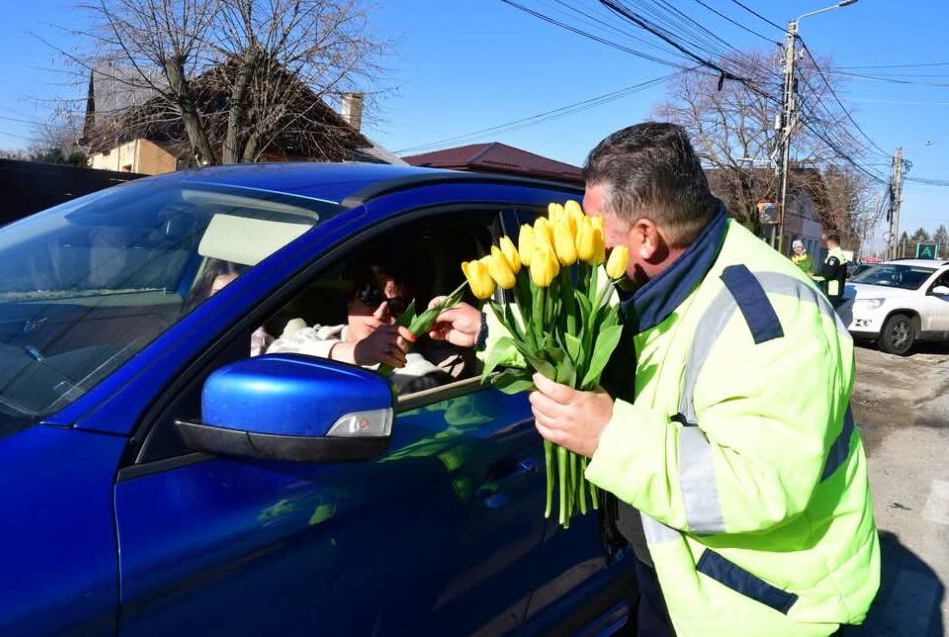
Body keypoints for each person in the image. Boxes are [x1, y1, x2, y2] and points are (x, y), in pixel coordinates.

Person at [431, 122, 879, 636]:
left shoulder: (768, 318)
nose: (592, 240)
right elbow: (597, 345)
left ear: (646, 236)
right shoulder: (661, 283)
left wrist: (608, 435)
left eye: (599, 226)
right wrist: (489, 330)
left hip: (759, 609)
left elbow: (761, 486)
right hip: (677, 577)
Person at [268, 255, 449, 394]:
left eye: (397, 306)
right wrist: (356, 352)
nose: (379, 314)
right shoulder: (315, 337)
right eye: (370, 296)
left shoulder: (416, 378)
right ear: (351, 300)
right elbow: (268, 364)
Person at [821, 232, 848, 306]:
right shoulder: (840, 255)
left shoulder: (834, 256)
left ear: (831, 244)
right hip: (835, 290)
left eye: (828, 245)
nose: (827, 246)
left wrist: (812, 275)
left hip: (832, 290)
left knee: (829, 313)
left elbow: (828, 274)